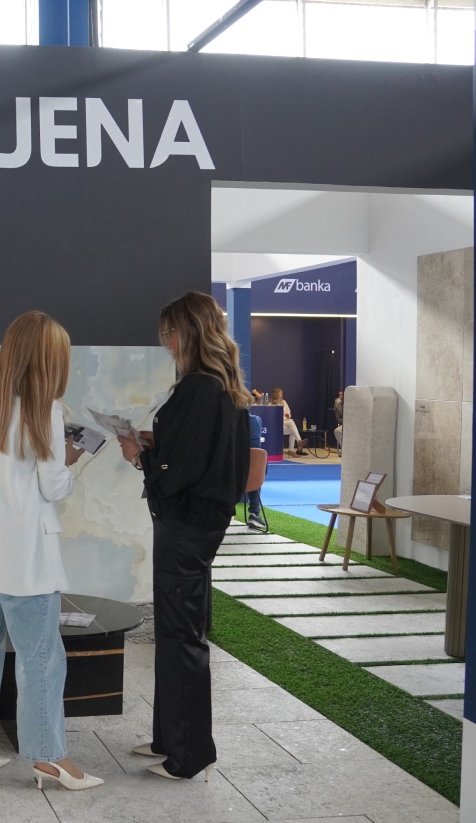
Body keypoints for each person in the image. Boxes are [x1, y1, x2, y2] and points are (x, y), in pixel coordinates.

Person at [0, 311, 101, 791]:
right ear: (50, 359)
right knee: (40, 659)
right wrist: (70, 460)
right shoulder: (44, 410)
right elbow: (53, 488)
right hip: (26, 557)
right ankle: (49, 758)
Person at [117, 291, 250, 781]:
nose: (166, 343)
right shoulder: (221, 384)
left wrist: (138, 454)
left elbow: (181, 472)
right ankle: (169, 739)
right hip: (200, 523)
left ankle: (189, 754)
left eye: (169, 333)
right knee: (177, 635)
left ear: (188, 332)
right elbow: (205, 454)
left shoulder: (198, 387)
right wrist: (159, 444)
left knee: (180, 638)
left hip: (186, 526)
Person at [245, 410, 266, 532]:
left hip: (230, 474)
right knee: (254, 468)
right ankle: (254, 513)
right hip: (254, 474)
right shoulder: (256, 420)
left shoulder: (227, 420)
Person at [269, 387, 305, 456]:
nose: (282, 395)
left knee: (293, 430)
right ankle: (299, 441)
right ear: (277, 394)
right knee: (292, 423)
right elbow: (272, 417)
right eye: (281, 394)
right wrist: (285, 418)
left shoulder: (284, 402)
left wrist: (288, 416)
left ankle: (291, 450)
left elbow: (289, 413)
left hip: (284, 424)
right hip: (276, 425)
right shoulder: (271, 404)